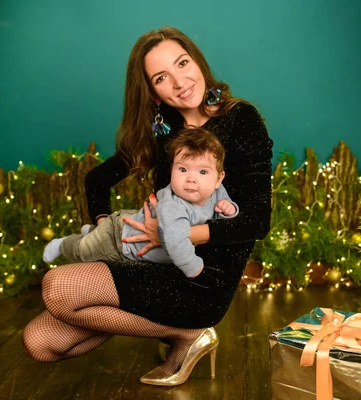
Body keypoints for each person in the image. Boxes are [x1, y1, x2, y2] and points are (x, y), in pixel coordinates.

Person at [22, 26, 273, 387]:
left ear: (197, 62)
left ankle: (190, 332)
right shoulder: (162, 131)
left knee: (58, 288)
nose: (180, 81)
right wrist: (104, 223)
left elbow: (257, 222)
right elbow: (96, 180)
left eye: (183, 63)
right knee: (39, 343)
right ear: (153, 93)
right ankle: (177, 332)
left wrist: (177, 233)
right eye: (161, 77)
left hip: (202, 278)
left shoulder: (241, 119)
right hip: (151, 261)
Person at [42, 127, 239, 279]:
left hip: (128, 226)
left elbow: (224, 204)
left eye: (202, 172)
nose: (191, 179)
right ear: (171, 170)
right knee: (84, 252)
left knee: (93, 238)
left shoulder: (217, 191)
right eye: (183, 170)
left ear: (218, 178)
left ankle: (92, 231)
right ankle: (63, 244)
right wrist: (194, 268)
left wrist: (228, 209)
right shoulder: (173, 205)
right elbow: (177, 243)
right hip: (119, 241)